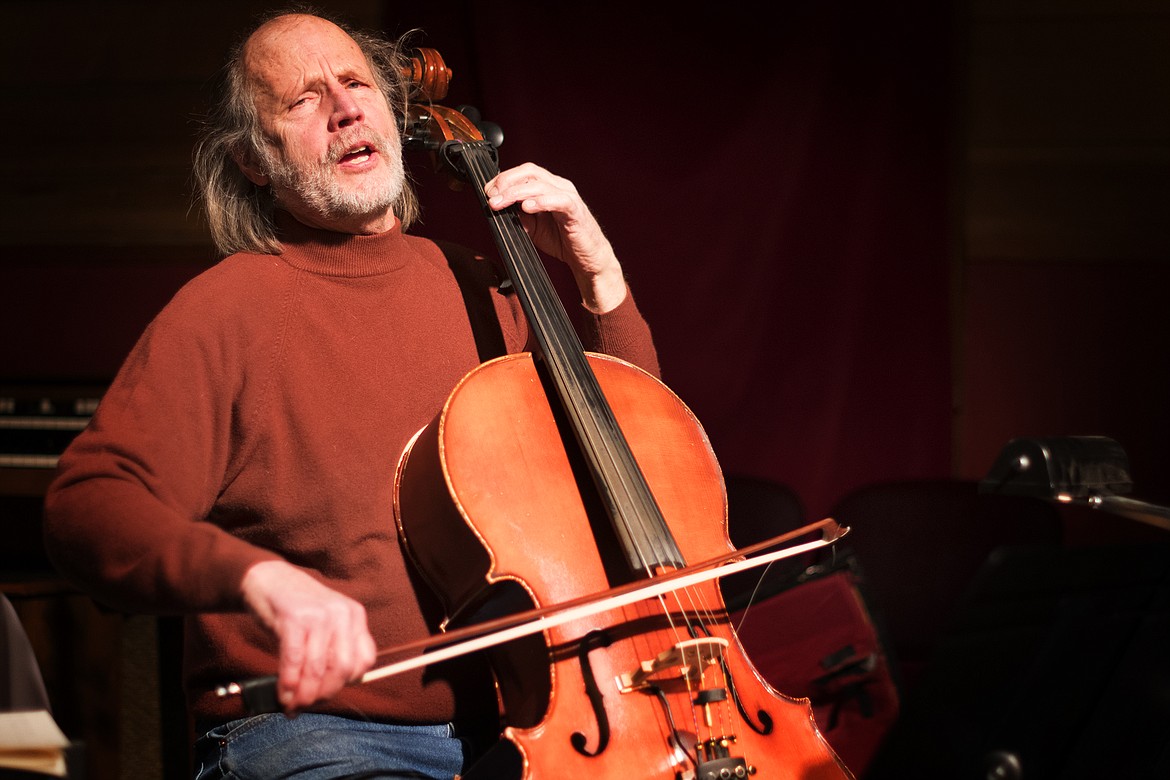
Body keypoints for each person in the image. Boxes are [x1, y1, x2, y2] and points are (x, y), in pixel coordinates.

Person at [41, 8, 659, 779]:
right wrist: (258, 579)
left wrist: (599, 275)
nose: (344, 108)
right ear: (254, 161)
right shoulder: (227, 310)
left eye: (357, 82)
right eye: (301, 100)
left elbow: (632, 464)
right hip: (325, 737)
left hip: (532, 726)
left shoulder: (478, 286)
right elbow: (87, 506)